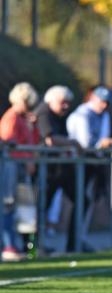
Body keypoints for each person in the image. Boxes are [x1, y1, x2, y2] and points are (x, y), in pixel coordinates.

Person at [34, 85, 86, 253]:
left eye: (68, 103)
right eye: (63, 103)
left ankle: (74, 244)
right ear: (52, 100)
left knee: (81, 199)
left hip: (60, 168)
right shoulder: (44, 112)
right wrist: (73, 143)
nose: (66, 106)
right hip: (47, 169)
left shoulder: (60, 116)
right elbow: (50, 139)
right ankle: (33, 248)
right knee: (40, 206)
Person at [66, 85, 112, 252]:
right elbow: (85, 143)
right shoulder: (82, 116)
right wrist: (101, 144)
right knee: (81, 201)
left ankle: (78, 241)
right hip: (78, 164)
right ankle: (73, 243)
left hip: (91, 163)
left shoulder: (103, 115)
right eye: (102, 102)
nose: (104, 106)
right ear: (94, 99)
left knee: (86, 201)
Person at [0, 82, 39, 262]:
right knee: (9, 205)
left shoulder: (24, 119)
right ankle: (8, 245)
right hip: (13, 167)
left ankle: (28, 248)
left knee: (26, 210)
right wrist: (26, 159)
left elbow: (32, 142)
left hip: (22, 168)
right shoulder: (12, 118)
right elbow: (10, 144)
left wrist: (34, 127)